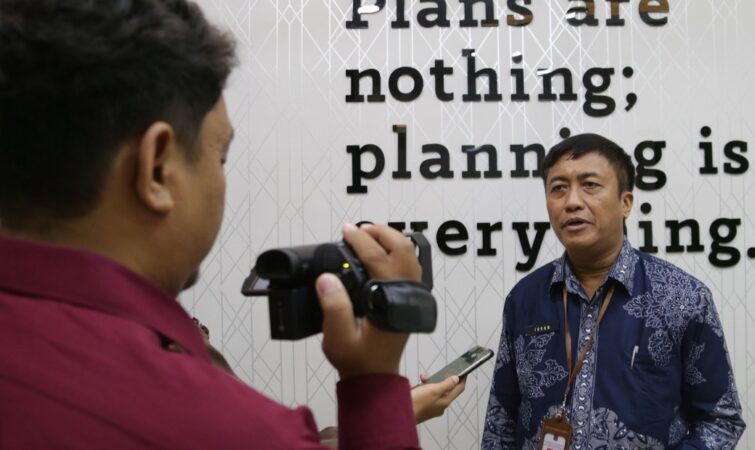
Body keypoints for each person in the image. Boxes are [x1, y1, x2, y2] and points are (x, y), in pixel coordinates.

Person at [0, 1, 458, 448]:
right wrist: (375, 388)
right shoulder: (224, 427)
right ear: (157, 168)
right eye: (220, 157)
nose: (222, 180)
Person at [481, 134, 745, 449]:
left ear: (625, 203)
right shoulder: (524, 299)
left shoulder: (683, 297)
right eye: (558, 188)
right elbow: (500, 425)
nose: (572, 201)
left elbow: (721, 420)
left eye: (590, 185)